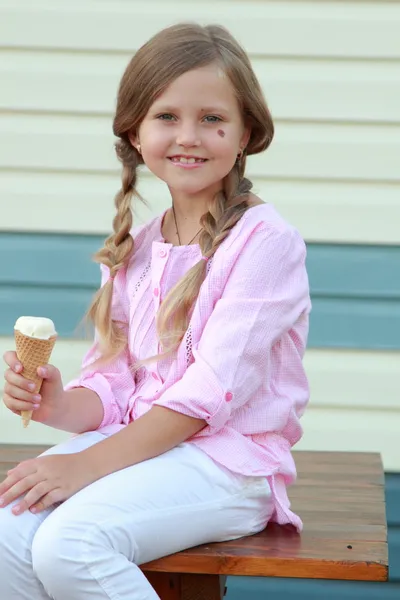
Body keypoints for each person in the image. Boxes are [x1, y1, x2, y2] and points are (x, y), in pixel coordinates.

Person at [0, 23, 311, 600]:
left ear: (246, 133)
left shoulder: (265, 243)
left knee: (72, 543)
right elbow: (115, 383)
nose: (189, 136)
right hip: (144, 447)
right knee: (7, 530)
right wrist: (59, 403)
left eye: (213, 118)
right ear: (135, 134)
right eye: (166, 116)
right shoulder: (136, 248)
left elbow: (208, 395)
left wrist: (87, 465)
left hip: (228, 465)